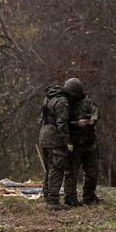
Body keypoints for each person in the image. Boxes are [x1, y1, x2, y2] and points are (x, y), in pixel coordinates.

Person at [62, 78, 101, 205]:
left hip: (89, 142)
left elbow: (96, 112)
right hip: (73, 143)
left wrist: (92, 121)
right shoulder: (64, 104)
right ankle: (70, 198)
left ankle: (89, 197)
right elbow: (62, 123)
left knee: (92, 172)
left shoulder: (87, 101)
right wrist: (76, 124)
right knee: (71, 173)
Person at [37, 81, 73, 210]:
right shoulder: (62, 101)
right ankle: (53, 200)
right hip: (55, 139)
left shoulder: (48, 98)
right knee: (56, 169)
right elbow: (62, 123)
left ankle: (47, 196)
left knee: (48, 169)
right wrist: (67, 141)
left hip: (44, 136)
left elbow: (42, 118)